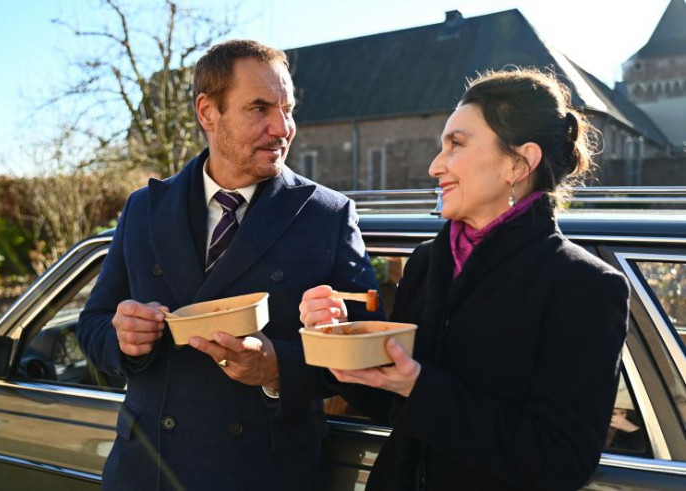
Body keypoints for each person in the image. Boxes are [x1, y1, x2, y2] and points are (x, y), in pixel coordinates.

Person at [300, 68, 630, 490]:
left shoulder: (584, 285)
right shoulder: (426, 262)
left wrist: (420, 387)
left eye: (455, 144)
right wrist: (340, 343)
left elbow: (560, 461)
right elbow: (392, 405)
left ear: (519, 163)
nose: (434, 166)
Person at [77, 39, 380, 490]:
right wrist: (121, 339)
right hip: (148, 472)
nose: (283, 128)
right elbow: (93, 325)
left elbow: (368, 348)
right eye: (260, 108)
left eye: (288, 109)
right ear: (207, 112)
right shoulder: (143, 208)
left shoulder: (327, 214)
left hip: (266, 473)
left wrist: (277, 369)